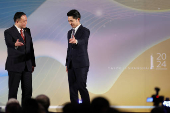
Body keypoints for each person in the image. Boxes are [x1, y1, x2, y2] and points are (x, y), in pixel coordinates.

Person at [4, 12, 36, 105]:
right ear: (17, 21)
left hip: (27, 66)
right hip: (15, 66)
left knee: (28, 91)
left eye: (26, 21)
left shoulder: (27, 31)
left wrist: (33, 63)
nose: (26, 23)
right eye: (24, 21)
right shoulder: (8, 31)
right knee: (13, 91)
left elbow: (31, 48)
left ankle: (26, 110)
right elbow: (8, 43)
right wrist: (15, 44)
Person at [65, 9, 90, 105]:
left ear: (78, 19)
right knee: (72, 88)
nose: (70, 23)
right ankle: (74, 109)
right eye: (68, 21)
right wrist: (67, 63)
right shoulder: (69, 33)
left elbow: (84, 41)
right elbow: (69, 49)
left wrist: (76, 41)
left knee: (81, 86)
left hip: (81, 64)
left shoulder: (85, 31)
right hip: (71, 65)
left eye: (71, 21)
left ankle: (87, 109)